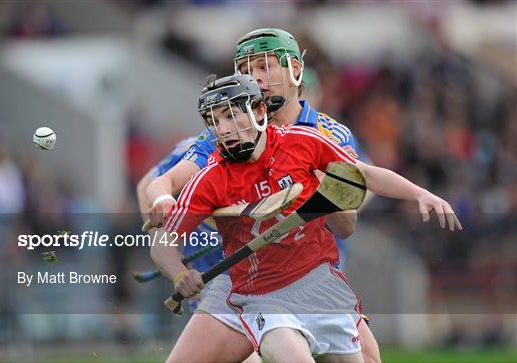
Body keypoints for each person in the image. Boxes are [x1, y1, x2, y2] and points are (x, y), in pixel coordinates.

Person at [152, 74, 461, 363]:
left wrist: (421, 193)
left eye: (232, 115)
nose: (224, 128)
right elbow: (162, 244)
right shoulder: (210, 179)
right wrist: (179, 274)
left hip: (322, 283)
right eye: (215, 121)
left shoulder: (303, 142)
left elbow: (362, 174)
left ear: (259, 109)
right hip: (262, 297)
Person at [144, 28, 381, 363]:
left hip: (315, 276)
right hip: (244, 279)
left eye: (265, 67)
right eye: (246, 69)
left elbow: (347, 223)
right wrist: (163, 202)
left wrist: (324, 187)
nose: (256, 77)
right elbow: (159, 183)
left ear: (295, 70)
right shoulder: (229, 132)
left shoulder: (329, 135)